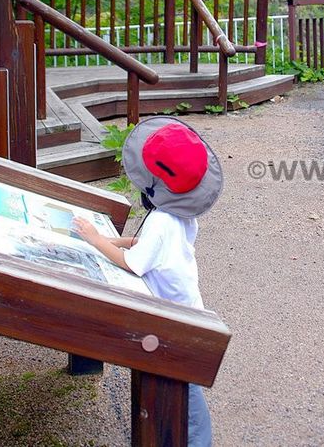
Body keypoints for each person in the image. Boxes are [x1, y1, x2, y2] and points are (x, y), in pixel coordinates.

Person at [73, 116, 224, 447]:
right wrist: (115, 241)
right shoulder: (181, 214)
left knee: (185, 391)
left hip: (176, 322)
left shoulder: (159, 221)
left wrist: (96, 239)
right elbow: (145, 248)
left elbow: (133, 264)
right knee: (178, 386)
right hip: (187, 311)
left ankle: (198, 443)